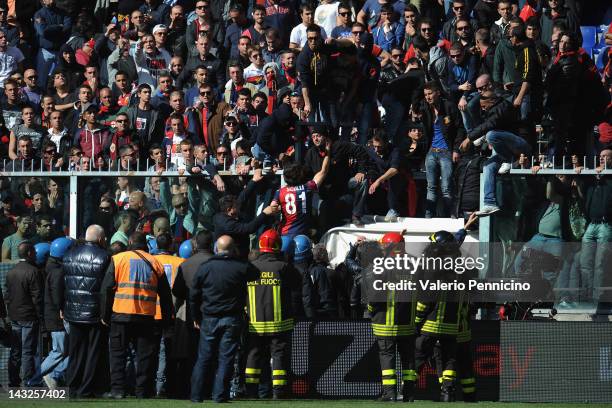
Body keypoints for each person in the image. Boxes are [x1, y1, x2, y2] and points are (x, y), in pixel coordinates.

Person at [100, 231, 173, 399]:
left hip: (121, 314)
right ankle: (142, 391)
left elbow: (106, 289)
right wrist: (167, 319)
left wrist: (105, 314)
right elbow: (165, 295)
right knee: (145, 356)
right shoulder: (155, 262)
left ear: (131, 241)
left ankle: (118, 390)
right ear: (146, 245)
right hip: (145, 316)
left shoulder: (118, 259)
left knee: (118, 354)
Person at [189, 235, 260, 403]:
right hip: (232, 318)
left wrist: (195, 316)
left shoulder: (205, 267)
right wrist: (237, 255)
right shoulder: (240, 267)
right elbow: (255, 273)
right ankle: (220, 395)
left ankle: (196, 395)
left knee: (204, 357)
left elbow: (193, 294)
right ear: (233, 249)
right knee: (226, 358)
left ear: (216, 248)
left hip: (209, 317)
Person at [244, 229, 301, 399]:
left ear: (260, 245)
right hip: (279, 323)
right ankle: (279, 392)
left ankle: (251, 391)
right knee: (279, 357)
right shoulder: (283, 267)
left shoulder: (251, 267)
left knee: (253, 355)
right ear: (278, 246)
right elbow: (297, 284)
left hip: (254, 323)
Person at [459, 90, 529, 216]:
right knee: (488, 166)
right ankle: (490, 203)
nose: (483, 109)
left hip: (520, 145)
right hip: (506, 150)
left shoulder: (503, 107)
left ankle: (509, 160)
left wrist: (470, 138)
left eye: (484, 106)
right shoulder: (492, 110)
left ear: (491, 101)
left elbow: (490, 125)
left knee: (491, 135)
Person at [63, 225, 111, 398]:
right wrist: (105, 314)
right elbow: (106, 289)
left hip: (73, 311)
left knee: (75, 352)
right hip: (94, 313)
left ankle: (71, 387)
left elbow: (64, 284)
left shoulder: (69, 255)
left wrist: (62, 307)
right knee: (92, 353)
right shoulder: (105, 257)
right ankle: (85, 390)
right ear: (100, 239)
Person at [171, 231, 215, 398]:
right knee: (211, 354)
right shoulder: (218, 262)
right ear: (212, 245)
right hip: (214, 313)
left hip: (191, 314)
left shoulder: (186, 265)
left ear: (195, 245)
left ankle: (188, 390)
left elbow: (177, 291)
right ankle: (209, 390)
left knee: (190, 354)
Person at [418, 81, 465, 218]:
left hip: (446, 151)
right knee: (431, 186)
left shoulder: (449, 107)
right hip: (432, 151)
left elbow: (460, 129)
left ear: (438, 92)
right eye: (425, 94)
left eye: (430, 93)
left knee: (446, 187)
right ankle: (429, 215)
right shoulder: (425, 108)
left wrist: (456, 149)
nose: (428, 97)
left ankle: (449, 215)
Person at [271, 140, 330, 242]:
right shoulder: (307, 187)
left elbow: (272, 208)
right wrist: (328, 153)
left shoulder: (280, 192)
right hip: (302, 235)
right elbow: (323, 171)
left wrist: (282, 206)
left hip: (285, 234)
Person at [5, 241, 43, 387]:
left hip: (15, 315)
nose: (35, 254)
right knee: (28, 350)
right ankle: (30, 381)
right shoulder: (33, 271)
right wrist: (40, 316)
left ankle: (13, 381)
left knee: (15, 350)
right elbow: (37, 297)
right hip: (29, 316)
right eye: (33, 251)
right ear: (29, 253)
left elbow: (7, 294)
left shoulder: (11, 272)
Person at [152, 232, 184, 397]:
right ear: (171, 245)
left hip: (150, 312)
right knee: (166, 351)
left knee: (150, 351)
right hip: (171, 313)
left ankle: (151, 385)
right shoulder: (180, 262)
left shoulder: (150, 260)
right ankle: (162, 386)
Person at [40, 236, 73, 389]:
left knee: (61, 351)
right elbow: (57, 297)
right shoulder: (58, 272)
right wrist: (62, 310)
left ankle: (50, 376)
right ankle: (37, 377)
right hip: (57, 318)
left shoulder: (51, 269)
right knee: (59, 351)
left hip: (54, 317)